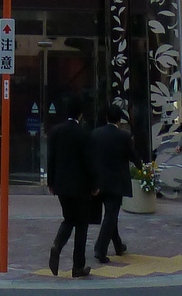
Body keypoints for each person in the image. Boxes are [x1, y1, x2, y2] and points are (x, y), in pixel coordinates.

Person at [47, 94, 98, 278]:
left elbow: (51, 158)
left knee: (69, 219)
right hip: (82, 186)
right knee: (82, 225)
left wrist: (51, 182)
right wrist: (94, 184)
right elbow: (89, 162)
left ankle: (57, 245)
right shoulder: (85, 134)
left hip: (61, 185)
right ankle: (78, 266)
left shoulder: (56, 131)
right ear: (81, 114)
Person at [91, 103, 137, 265]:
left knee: (111, 215)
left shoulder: (95, 134)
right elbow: (132, 156)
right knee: (111, 215)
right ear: (119, 119)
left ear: (106, 118)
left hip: (99, 182)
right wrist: (142, 166)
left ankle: (118, 245)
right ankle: (100, 248)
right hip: (117, 182)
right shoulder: (124, 136)